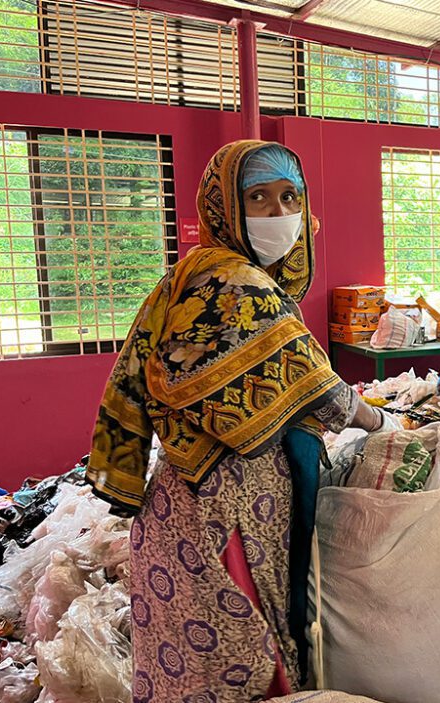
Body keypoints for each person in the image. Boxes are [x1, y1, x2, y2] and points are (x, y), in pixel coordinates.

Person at [86, 141, 396, 701]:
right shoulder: (238, 283)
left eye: (289, 197)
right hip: (226, 509)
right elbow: (319, 389)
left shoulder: (197, 273)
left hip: (185, 499)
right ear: (224, 208)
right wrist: (383, 424)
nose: (280, 216)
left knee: (187, 656)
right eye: (257, 198)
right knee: (247, 651)